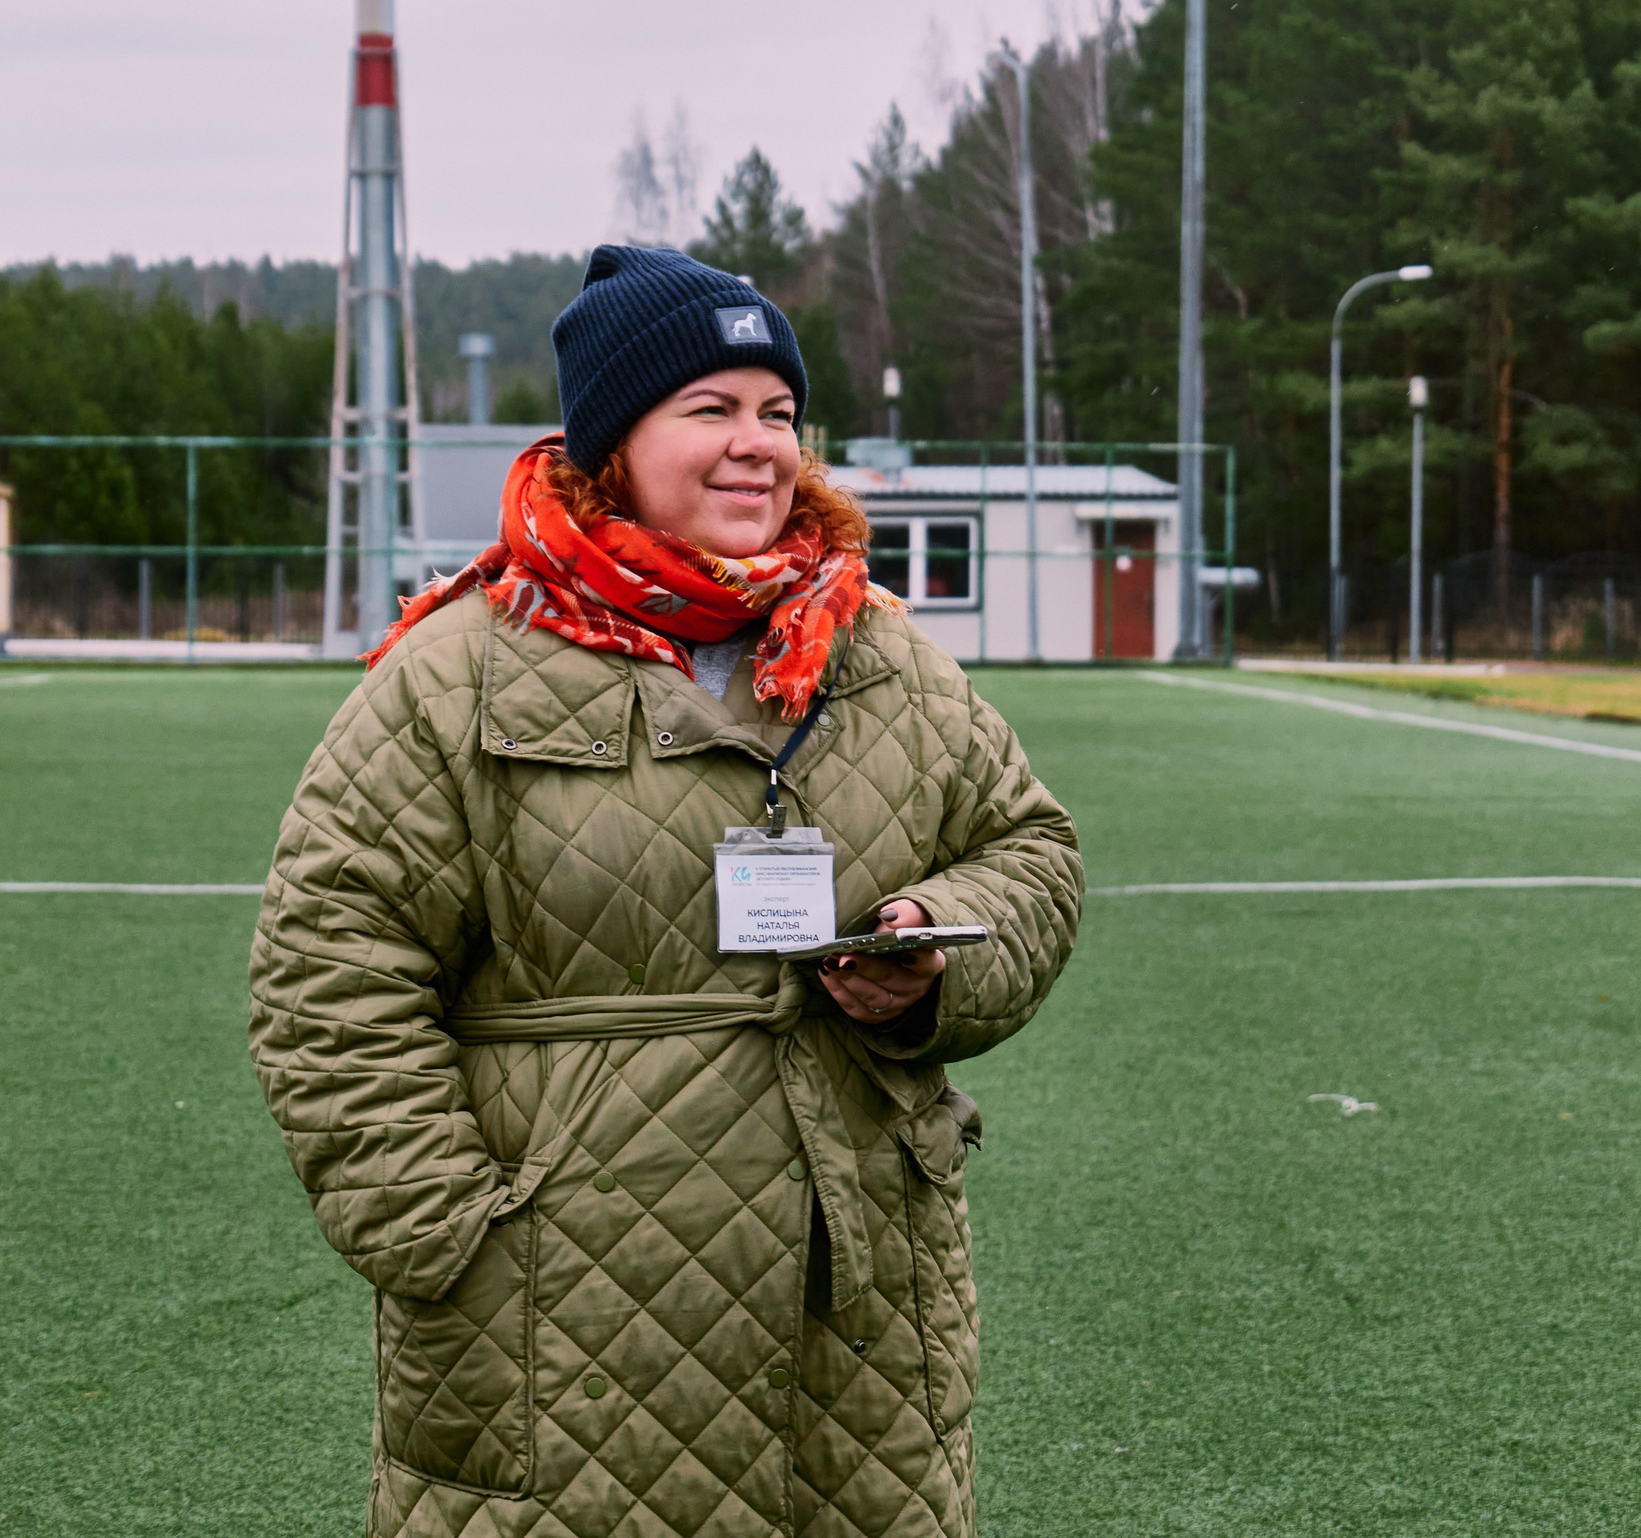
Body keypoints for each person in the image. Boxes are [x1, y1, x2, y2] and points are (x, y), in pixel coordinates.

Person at [250, 244, 1082, 1537]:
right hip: (561, 1335)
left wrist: (931, 955)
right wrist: (456, 1243)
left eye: (779, 413)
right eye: (712, 409)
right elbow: (327, 972)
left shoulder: (878, 651)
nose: (759, 445)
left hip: (852, 1335)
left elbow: (1030, 850)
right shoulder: (455, 674)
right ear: (612, 441)